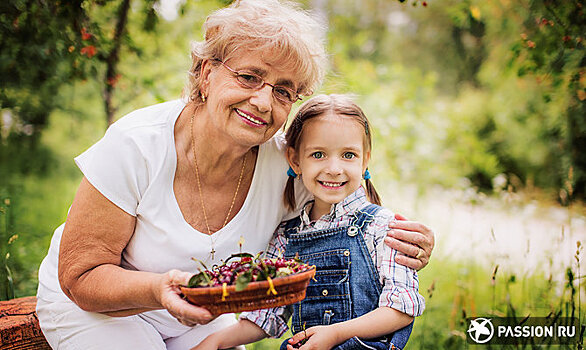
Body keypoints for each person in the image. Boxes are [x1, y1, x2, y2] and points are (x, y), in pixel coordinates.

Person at [36, 1, 434, 349]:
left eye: (283, 90)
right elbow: (81, 276)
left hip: (201, 314)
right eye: (248, 77)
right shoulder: (136, 144)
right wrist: (159, 289)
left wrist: (410, 241)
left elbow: (348, 211)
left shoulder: (288, 166)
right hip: (100, 310)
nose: (263, 101)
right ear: (207, 73)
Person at [192, 94, 425, 350]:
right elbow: (268, 316)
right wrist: (214, 341)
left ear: (365, 160)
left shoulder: (383, 227)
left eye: (348, 155)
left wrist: (335, 334)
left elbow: (401, 309)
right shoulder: (286, 236)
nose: (334, 168)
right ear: (295, 160)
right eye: (318, 154)